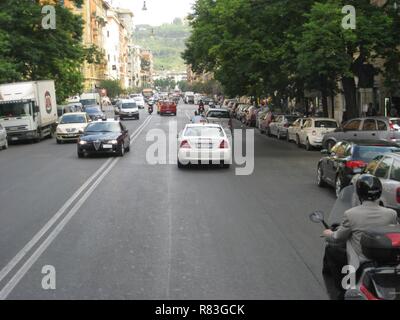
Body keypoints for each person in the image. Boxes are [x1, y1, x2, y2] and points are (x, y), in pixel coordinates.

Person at [322, 174, 398, 299]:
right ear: (379, 193)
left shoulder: (351, 214)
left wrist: (328, 233)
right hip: (385, 260)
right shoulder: (391, 214)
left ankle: (342, 288)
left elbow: (338, 238)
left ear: (359, 193)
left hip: (360, 261)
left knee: (331, 249)